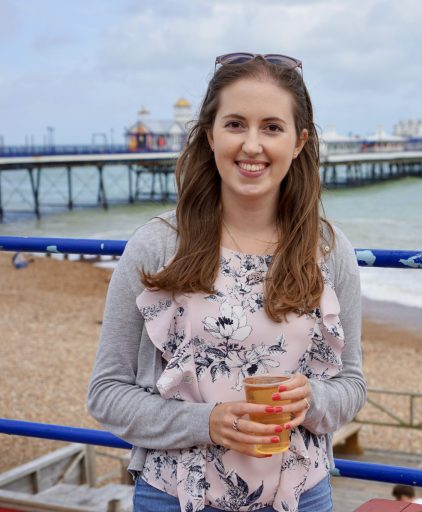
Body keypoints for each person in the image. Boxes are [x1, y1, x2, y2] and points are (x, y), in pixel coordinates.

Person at [87, 53, 366, 512]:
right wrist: (208, 422)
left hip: (301, 493)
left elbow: (352, 385)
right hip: (174, 495)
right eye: (235, 124)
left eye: (272, 128)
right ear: (210, 135)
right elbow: (106, 393)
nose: (252, 145)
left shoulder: (330, 251)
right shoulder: (158, 245)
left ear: (299, 142)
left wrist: (311, 400)